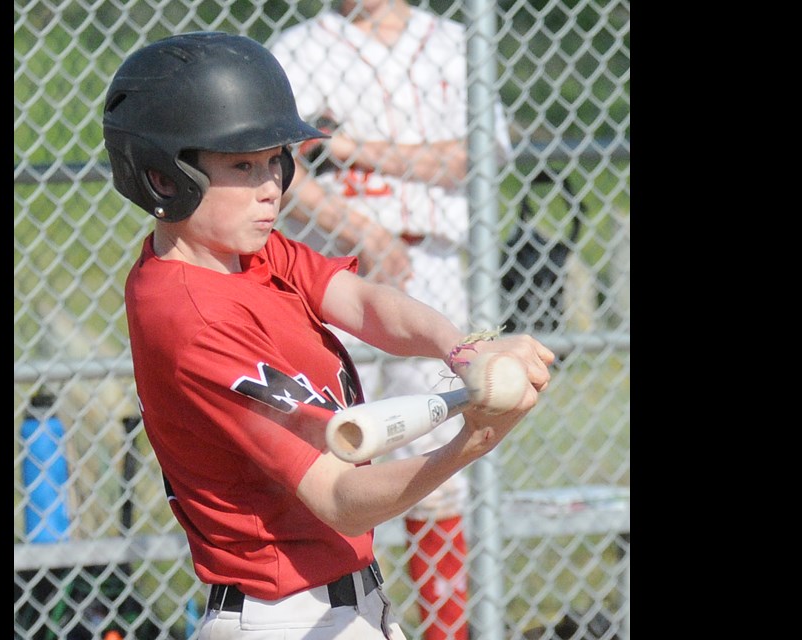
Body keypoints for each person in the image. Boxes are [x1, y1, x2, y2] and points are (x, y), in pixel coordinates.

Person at [102, 31, 553, 640]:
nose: (272, 188)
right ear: (163, 178)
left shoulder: (242, 251)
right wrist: (470, 443)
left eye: (275, 162)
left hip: (347, 606)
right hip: (284, 618)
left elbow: (366, 306)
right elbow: (340, 495)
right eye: (243, 166)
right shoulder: (191, 319)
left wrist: (464, 349)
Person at [270, 2, 511, 638]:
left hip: (431, 263)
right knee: (330, 451)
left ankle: (444, 629)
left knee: (440, 460)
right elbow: (283, 170)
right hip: (329, 270)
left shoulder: (455, 43)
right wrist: (364, 233)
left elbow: (479, 155)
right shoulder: (298, 48)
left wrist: (349, 148)